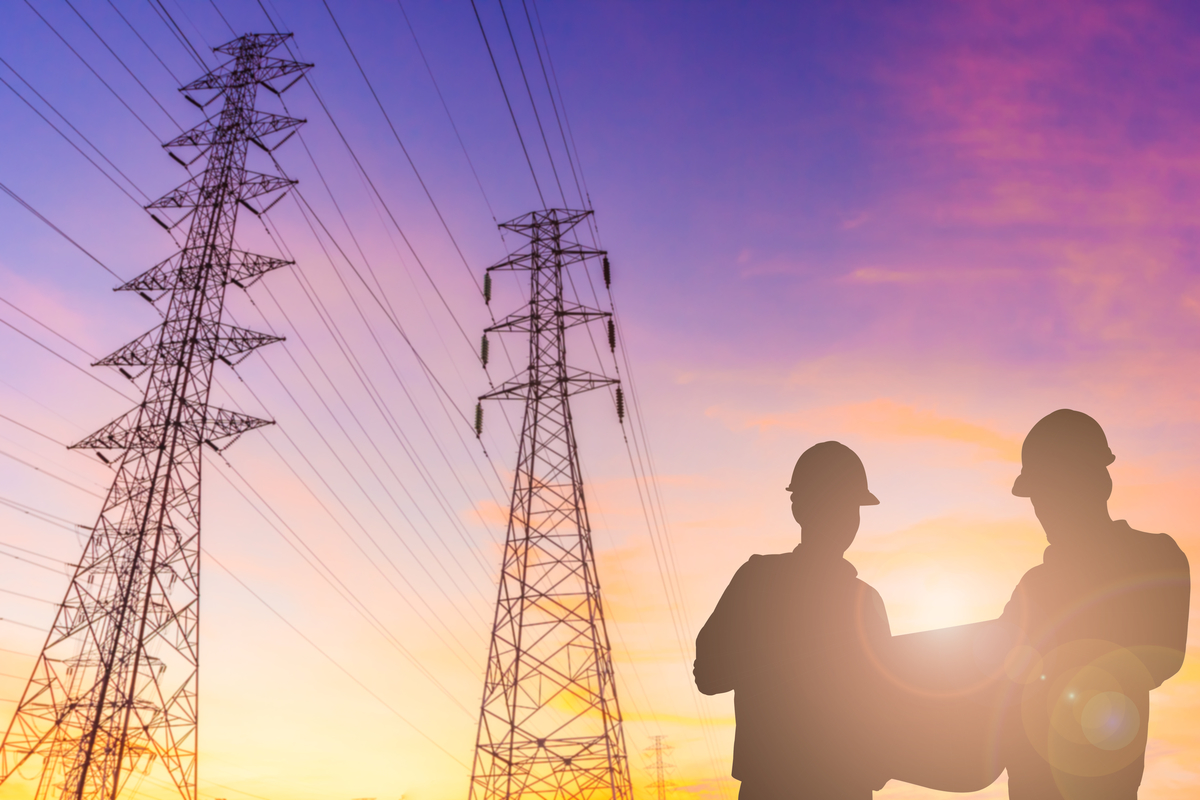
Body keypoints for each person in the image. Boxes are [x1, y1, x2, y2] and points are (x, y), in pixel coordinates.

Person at [998, 409, 1190, 800]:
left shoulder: (1154, 557)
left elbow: (1161, 656)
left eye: (1052, 491)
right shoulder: (1034, 586)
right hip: (1030, 781)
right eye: (1039, 496)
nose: (1043, 508)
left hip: (1104, 781)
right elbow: (994, 669)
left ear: (1097, 483)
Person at [694, 441, 891, 799]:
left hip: (840, 787)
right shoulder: (758, 581)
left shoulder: (866, 603)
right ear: (800, 509)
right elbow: (707, 674)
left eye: (851, 508)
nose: (845, 519)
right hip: (778, 786)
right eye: (834, 505)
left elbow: (887, 709)